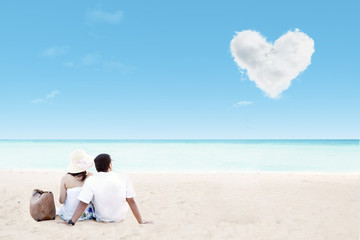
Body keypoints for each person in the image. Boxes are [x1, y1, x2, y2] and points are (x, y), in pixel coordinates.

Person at [66, 153, 151, 225]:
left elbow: (83, 203)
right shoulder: (123, 178)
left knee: (88, 197)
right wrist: (140, 221)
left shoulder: (91, 180)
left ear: (96, 167)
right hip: (120, 217)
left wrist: (71, 222)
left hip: (101, 218)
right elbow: (131, 201)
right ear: (110, 165)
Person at [57, 149, 94, 221]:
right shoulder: (91, 176)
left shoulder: (65, 179)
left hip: (68, 215)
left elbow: (62, 201)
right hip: (86, 214)